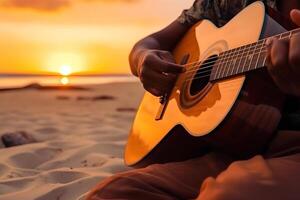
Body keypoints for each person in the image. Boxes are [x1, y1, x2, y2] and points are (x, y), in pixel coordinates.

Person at [87, 0, 300, 199]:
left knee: (230, 192)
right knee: (113, 192)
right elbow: (150, 43)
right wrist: (143, 57)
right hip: (231, 147)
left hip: (291, 149)